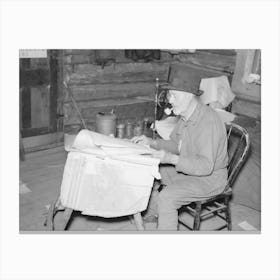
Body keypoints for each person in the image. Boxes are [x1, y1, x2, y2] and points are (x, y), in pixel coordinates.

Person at [131, 77, 228, 230]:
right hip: (191, 168)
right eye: (169, 95)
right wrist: (152, 142)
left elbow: (205, 166)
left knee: (167, 197)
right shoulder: (185, 117)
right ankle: (153, 213)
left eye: (173, 95)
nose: (170, 100)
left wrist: (171, 159)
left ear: (189, 96)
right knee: (150, 169)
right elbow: (175, 145)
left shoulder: (208, 121)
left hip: (211, 178)